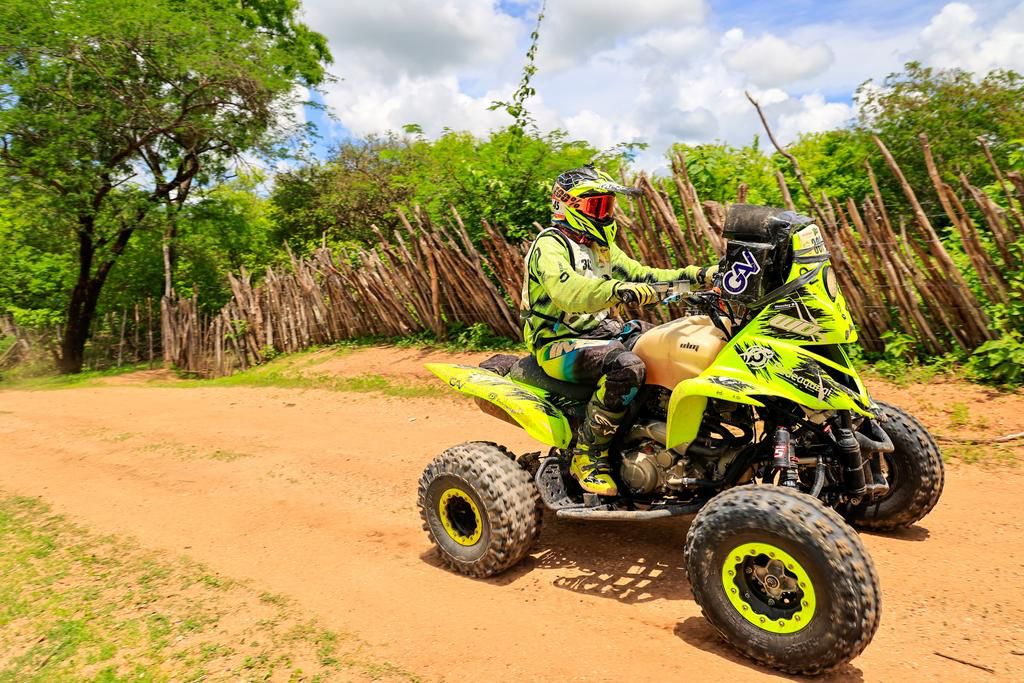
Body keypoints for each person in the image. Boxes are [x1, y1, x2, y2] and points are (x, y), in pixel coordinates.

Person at [520, 164, 718, 496]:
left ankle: (665, 436)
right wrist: (616, 290)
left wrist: (700, 275)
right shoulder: (550, 245)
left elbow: (644, 275)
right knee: (627, 366)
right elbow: (567, 291)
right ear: (566, 204)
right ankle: (589, 455)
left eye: (608, 206)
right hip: (557, 342)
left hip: (601, 332)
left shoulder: (601, 247)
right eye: (597, 206)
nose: (605, 214)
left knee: (661, 341)